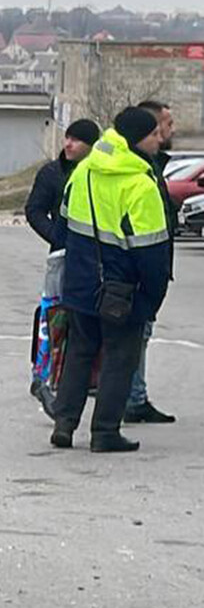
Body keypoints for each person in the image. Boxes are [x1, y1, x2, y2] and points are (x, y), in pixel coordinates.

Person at [49, 107, 172, 453]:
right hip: (121, 290)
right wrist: (151, 298)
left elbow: (62, 227)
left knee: (80, 352)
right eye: (153, 135)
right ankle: (104, 432)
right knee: (120, 358)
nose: (159, 140)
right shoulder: (140, 183)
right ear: (136, 139)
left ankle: (64, 423)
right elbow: (152, 253)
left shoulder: (84, 170)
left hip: (79, 282)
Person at [23, 118, 101, 413]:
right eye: (67, 138)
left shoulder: (97, 174)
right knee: (52, 313)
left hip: (95, 257)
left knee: (85, 317)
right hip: (63, 256)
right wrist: (56, 236)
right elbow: (34, 210)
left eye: (76, 140)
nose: (68, 144)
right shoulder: (53, 173)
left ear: (91, 146)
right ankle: (41, 373)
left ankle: (85, 375)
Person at [124, 100, 177, 424]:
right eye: (166, 126)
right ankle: (131, 398)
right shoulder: (140, 171)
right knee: (134, 335)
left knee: (141, 335)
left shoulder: (152, 166)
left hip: (149, 267)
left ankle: (135, 395)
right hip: (136, 270)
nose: (170, 132)